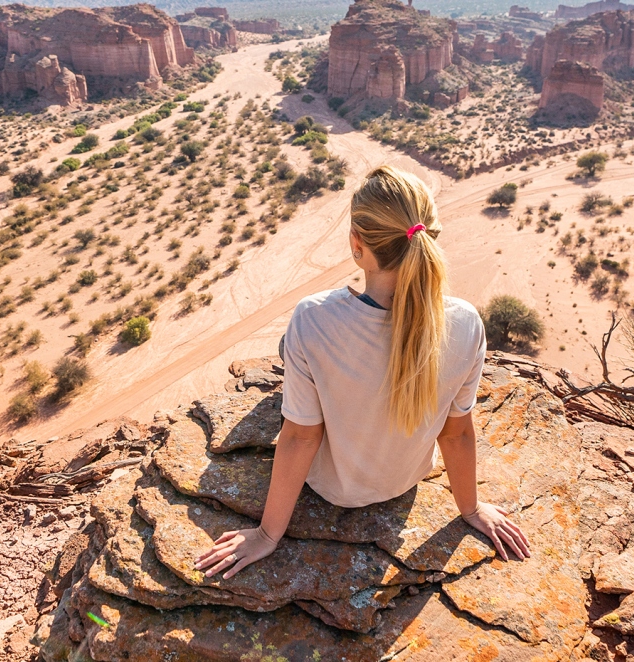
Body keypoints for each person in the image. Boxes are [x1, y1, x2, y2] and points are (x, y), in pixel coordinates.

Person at [195, 165, 531, 579]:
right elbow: (457, 431)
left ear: (357, 244)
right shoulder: (465, 323)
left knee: (292, 349)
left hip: (333, 489)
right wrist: (471, 508)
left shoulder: (314, 318)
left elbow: (301, 436)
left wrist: (268, 534)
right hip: (404, 482)